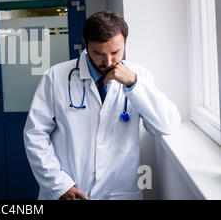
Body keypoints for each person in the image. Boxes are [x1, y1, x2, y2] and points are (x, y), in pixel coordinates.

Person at [23, 11, 181, 200]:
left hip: (119, 191)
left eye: (115, 53)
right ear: (86, 44)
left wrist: (134, 84)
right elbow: (35, 134)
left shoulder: (139, 76)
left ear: (125, 43)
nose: (108, 62)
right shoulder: (56, 77)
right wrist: (58, 184)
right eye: (98, 53)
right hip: (69, 190)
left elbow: (166, 125)